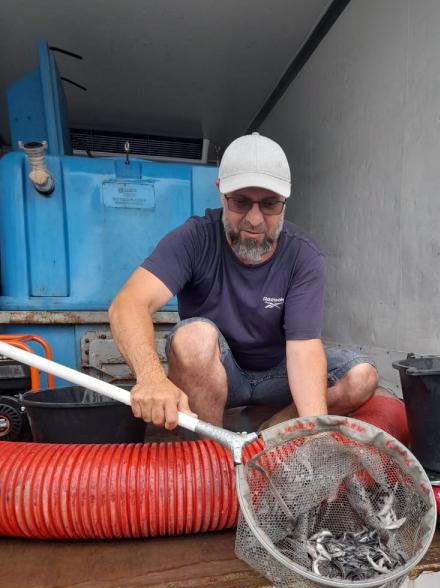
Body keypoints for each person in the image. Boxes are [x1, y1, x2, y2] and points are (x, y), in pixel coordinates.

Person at [109, 132, 378, 431]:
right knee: (193, 338)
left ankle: (274, 428)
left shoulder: (303, 255)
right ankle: (212, 450)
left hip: (278, 375)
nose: (254, 219)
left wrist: (313, 430)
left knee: (361, 377)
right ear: (220, 191)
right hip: (219, 376)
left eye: (270, 204)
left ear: (285, 201)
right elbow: (128, 303)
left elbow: (303, 349)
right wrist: (150, 377)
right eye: (240, 202)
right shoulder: (193, 239)